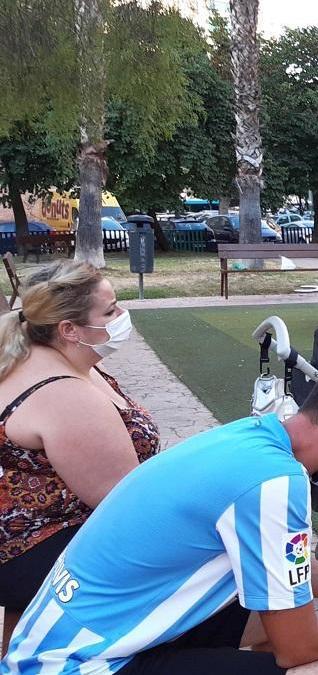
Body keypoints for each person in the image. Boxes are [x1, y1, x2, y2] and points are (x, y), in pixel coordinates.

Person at [3, 360, 318, 673]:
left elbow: (285, 576)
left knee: (275, 619)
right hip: (81, 663)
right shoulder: (275, 482)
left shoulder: (249, 437)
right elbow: (298, 647)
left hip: (60, 641)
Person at [0, 261, 159, 653]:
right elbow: (125, 505)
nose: (122, 317)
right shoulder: (64, 393)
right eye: (110, 311)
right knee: (214, 569)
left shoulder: (51, 358)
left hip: (36, 540)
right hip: (40, 550)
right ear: (68, 329)